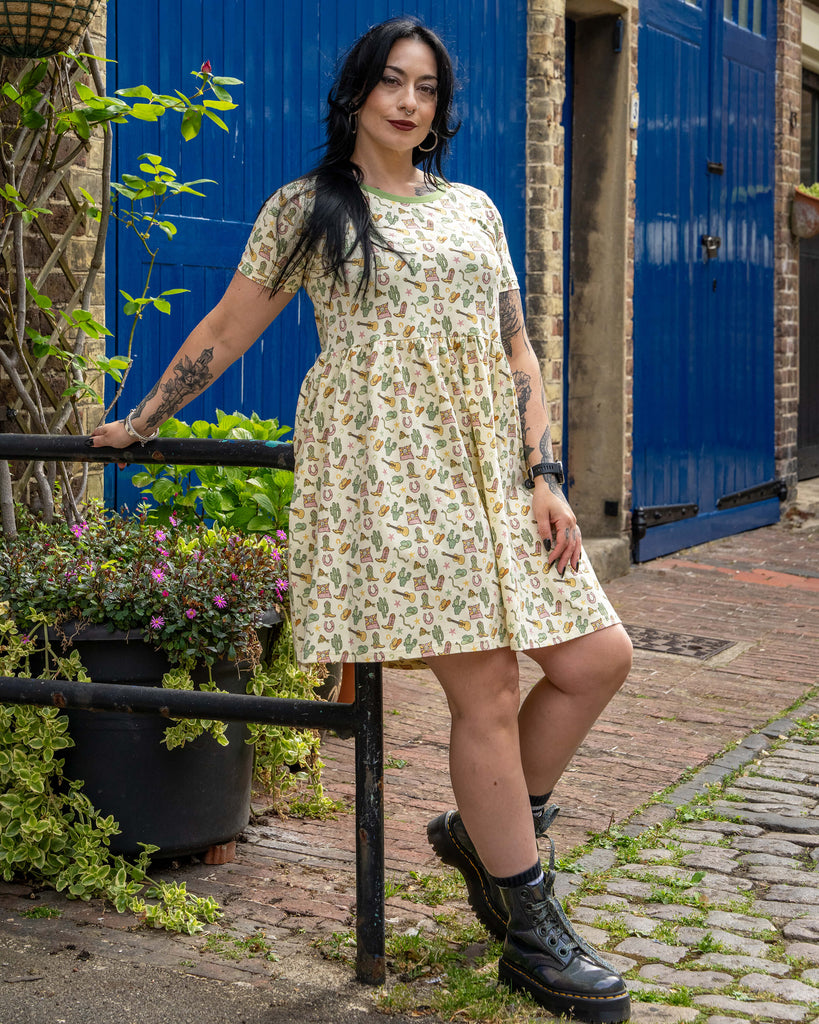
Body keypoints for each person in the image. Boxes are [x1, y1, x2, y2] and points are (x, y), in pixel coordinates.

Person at [91, 17, 632, 1023]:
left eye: (426, 88)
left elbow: (519, 356)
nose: (409, 102)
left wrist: (545, 472)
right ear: (356, 94)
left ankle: (485, 827)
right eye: (392, 82)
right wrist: (145, 418)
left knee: (600, 657)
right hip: (394, 475)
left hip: (496, 474)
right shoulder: (308, 208)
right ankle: (530, 931)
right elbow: (226, 328)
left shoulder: (472, 209)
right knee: (489, 685)